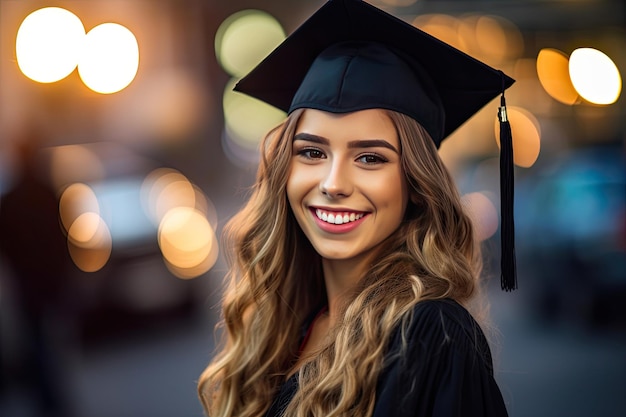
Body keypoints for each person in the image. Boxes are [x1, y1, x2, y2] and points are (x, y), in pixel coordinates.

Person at [198, 0, 516, 416]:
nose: (333, 184)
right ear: (284, 172)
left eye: (370, 158)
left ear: (416, 185)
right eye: (311, 152)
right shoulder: (287, 328)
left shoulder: (432, 336)